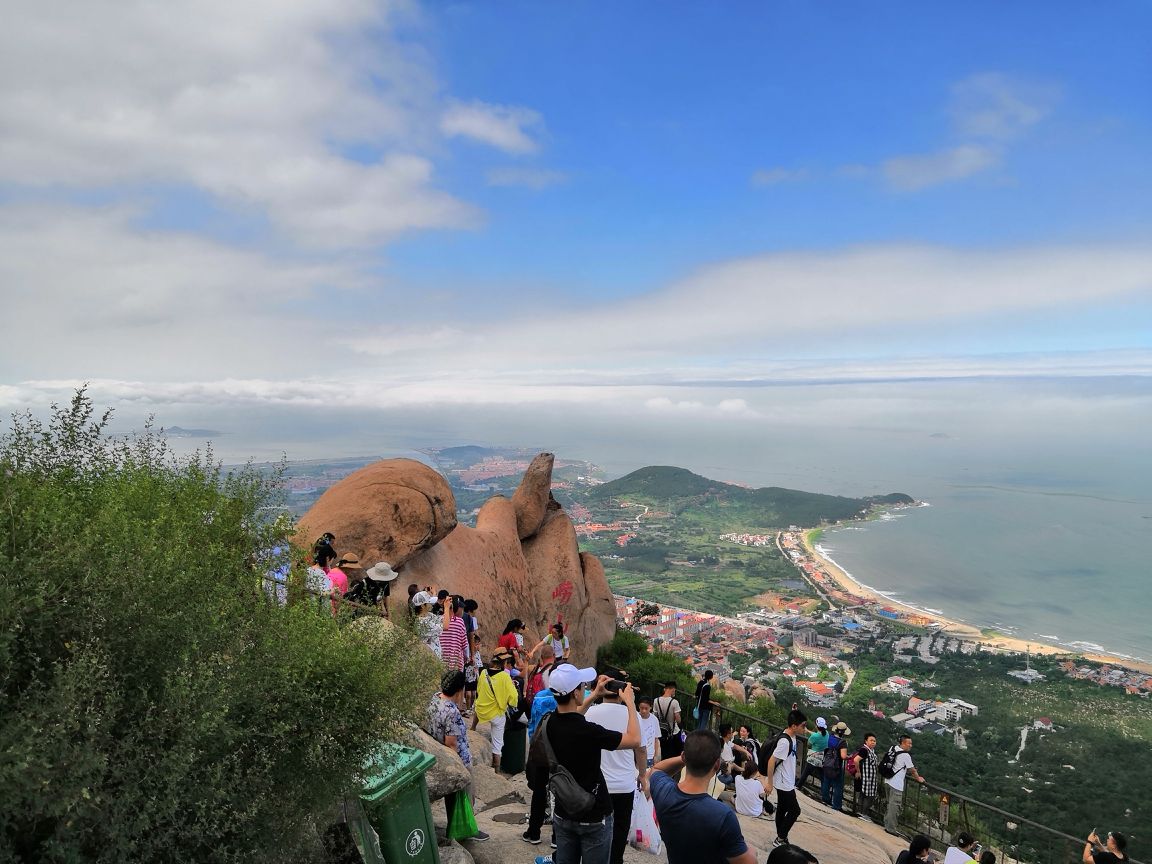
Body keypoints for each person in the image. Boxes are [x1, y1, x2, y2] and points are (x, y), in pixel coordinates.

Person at [531, 663, 640, 864]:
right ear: (575, 693)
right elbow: (634, 740)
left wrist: (593, 696)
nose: (585, 688)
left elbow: (572, 716)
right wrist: (631, 704)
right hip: (594, 815)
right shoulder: (590, 731)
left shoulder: (550, 722)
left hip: (564, 812)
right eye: (582, 686)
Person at [647, 729, 757, 864]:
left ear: (684, 757)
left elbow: (656, 770)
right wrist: (751, 852)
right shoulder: (723, 816)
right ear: (717, 765)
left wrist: (685, 758)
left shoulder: (664, 793)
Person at [585, 669, 648, 864]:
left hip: (596, 784)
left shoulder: (590, 713)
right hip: (624, 785)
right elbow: (641, 750)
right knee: (620, 829)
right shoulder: (633, 715)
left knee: (595, 829)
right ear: (622, 689)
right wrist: (643, 775)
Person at [426, 671, 489, 842]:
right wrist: (458, 767)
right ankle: (467, 829)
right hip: (457, 760)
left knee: (453, 799)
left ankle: (456, 827)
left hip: (438, 755)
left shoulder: (435, 699)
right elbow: (451, 743)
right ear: (460, 690)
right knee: (467, 797)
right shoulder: (451, 711)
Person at [764, 709, 808, 848]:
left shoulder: (791, 735)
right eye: (803, 726)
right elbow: (772, 761)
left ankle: (781, 837)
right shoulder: (785, 741)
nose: (804, 729)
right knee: (795, 810)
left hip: (786, 780)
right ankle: (780, 838)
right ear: (794, 726)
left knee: (782, 808)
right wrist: (769, 783)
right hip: (783, 782)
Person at [523, 678, 559, 848]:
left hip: (541, 750)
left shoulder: (540, 697)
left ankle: (534, 832)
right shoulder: (570, 698)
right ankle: (557, 836)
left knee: (539, 791)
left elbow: (532, 723)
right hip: (559, 752)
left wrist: (533, 747)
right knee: (560, 791)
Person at [475, 649, 520, 771]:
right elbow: (513, 699)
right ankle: (497, 770)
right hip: (496, 715)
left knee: (477, 705)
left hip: (481, 711)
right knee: (497, 744)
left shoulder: (483, 672)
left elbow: (479, 691)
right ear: (503, 663)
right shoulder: (505, 677)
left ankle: (473, 727)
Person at [884, 734, 926, 834]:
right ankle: (891, 829)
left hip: (887, 780)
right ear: (903, 743)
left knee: (889, 805)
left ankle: (886, 824)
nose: (911, 745)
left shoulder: (893, 748)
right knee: (894, 807)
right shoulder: (906, 755)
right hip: (896, 784)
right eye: (909, 743)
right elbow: (912, 770)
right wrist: (918, 778)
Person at [820, 722, 850, 812]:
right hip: (836, 766)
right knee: (838, 786)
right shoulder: (842, 742)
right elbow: (843, 756)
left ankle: (825, 799)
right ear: (844, 732)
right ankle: (836, 805)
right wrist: (849, 757)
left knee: (826, 781)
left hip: (826, 763)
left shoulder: (830, 737)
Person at [851, 732, 879, 820]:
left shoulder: (870, 751)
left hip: (869, 777)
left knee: (863, 795)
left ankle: (860, 812)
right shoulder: (865, 750)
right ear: (866, 741)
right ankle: (863, 813)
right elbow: (856, 760)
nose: (873, 742)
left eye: (874, 741)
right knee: (867, 796)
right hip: (866, 777)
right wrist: (858, 771)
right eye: (871, 740)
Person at [654, 681, 684, 761]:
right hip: (673, 732)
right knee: (677, 752)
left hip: (661, 731)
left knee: (663, 752)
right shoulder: (674, 702)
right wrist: (681, 726)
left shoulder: (656, 701)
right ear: (673, 689)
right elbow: (678, 718)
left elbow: (655, 716)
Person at [798, 717, 828, 791]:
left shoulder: (814, 736)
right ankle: (825, 794)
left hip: (813, 758)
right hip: (821, 758)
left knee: (805, 773)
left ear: (816, 726)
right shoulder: (826, 733)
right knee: (823, 778)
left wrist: (808, 734)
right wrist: (808, 731)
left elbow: (809, 744)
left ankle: (798, 786)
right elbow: (817, 735)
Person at [440, 596, 469, 672]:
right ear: (454, 608)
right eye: (461, 608)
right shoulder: (460, 622)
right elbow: (465, 646)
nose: (462, 610)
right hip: (456, 665)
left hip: (441, 663)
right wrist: (467, 658)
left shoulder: (438, 620)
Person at [411, 590, 443, 658]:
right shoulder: (422, 623)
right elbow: (444, 627)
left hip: (435, 656)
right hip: (428, 658)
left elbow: (441, 620)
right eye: (429, 602)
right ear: (422, 606)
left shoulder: (429, 615)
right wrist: (447, 608)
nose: (432, 604)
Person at [462, 599, 481, 712]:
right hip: (469, 652)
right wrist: (473, 653)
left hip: (464, 652)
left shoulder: (461, 617)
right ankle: (469, 706)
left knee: (465, 679)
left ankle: (465, 703)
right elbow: (472, 636)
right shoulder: (471, 619)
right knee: (472, 679)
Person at [636, 697, 661, 768]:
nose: (644, 711)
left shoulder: (654, 719)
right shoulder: (635, 717)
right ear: (639, 707)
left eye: (646, 708)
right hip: (636, 755)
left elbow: (656, 739)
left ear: (651, 707)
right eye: (641, 708)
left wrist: (656, 755)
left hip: (650, 756)